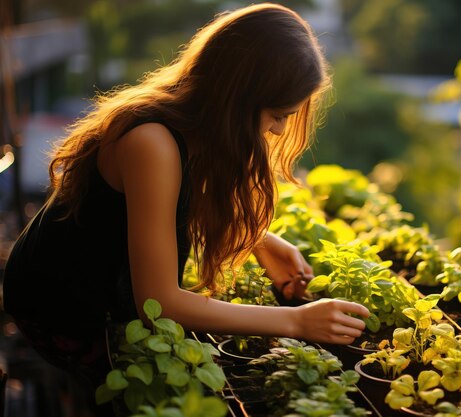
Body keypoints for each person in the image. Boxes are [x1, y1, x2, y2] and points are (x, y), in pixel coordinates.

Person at [2, 3, 368, 413]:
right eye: (275, 114)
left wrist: (258, 241)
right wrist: (297, 322)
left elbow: (167, 208)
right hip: (59, 308)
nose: (280, 129)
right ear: (236, 97)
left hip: (92, 288)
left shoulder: (189, 128)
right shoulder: (152, 141)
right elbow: (159, 302)